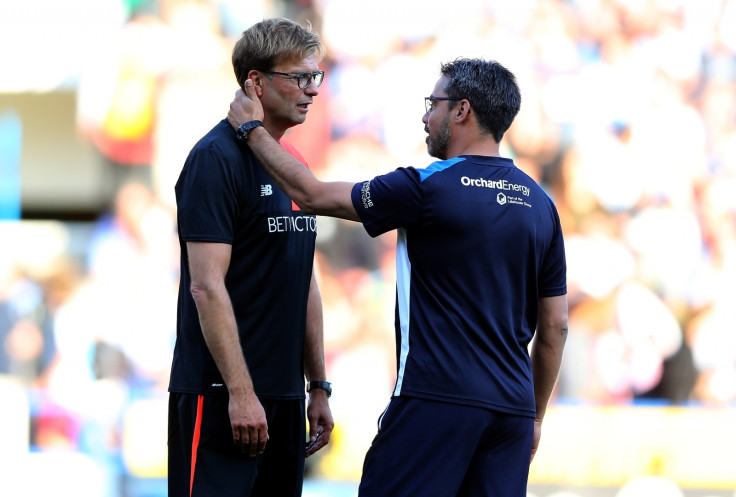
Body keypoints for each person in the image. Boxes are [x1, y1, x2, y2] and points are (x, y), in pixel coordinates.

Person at [227, 57, 568, 497]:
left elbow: (311, 195)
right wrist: (533, 416)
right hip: (512, 413)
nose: (426, 116)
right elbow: (555, 326)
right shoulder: (541, 205)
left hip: (436, 398)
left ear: (462, 110)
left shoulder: (427, 187)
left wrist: (251, 131)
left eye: (434, 104)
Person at [168, 18, 333, 497]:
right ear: (255, 82)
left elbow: (305, 281)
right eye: (299, 78)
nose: (312, 90)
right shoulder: (214, 158)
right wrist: (241, 392)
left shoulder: (294, 165)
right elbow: (206, 285)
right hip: (222, 398)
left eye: (315, 77)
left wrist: (317, 385)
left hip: (283, 398)